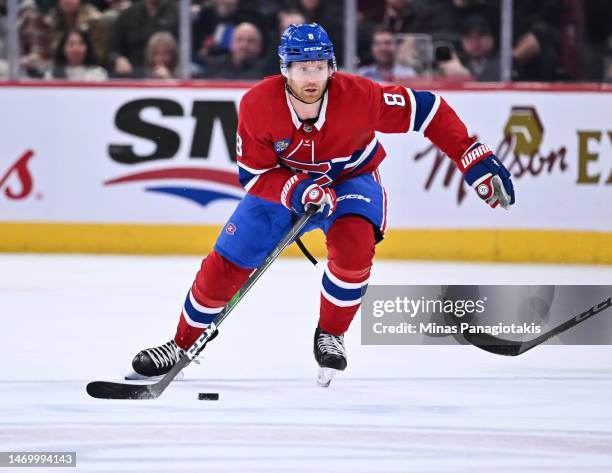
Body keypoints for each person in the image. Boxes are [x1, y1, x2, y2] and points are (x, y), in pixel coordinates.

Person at [127, 23, 515, 386]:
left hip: (350, 180)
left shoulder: (361, 96)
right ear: (285, 69)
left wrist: (471, 157)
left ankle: (330, 334)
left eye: (318, 67)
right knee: (226, 264)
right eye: (300, 68)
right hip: (282, 189)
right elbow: (254, 175)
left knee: (354, 248)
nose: (310, 78)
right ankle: (181, 344)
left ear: (331, 67)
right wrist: (298, 190)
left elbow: (427, 109)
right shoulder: (257, 105)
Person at [201, 22, 265, 80]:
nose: (244, 45)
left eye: (250, 40)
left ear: (259, 46)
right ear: (231, 44)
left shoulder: (266, 72)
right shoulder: (214, 68)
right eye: (239, 39)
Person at [459, 16, 499, 82]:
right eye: (469, 37)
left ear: (492, 38)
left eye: (481, 36)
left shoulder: (505, 65)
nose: (475, 42)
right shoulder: (458, 65)